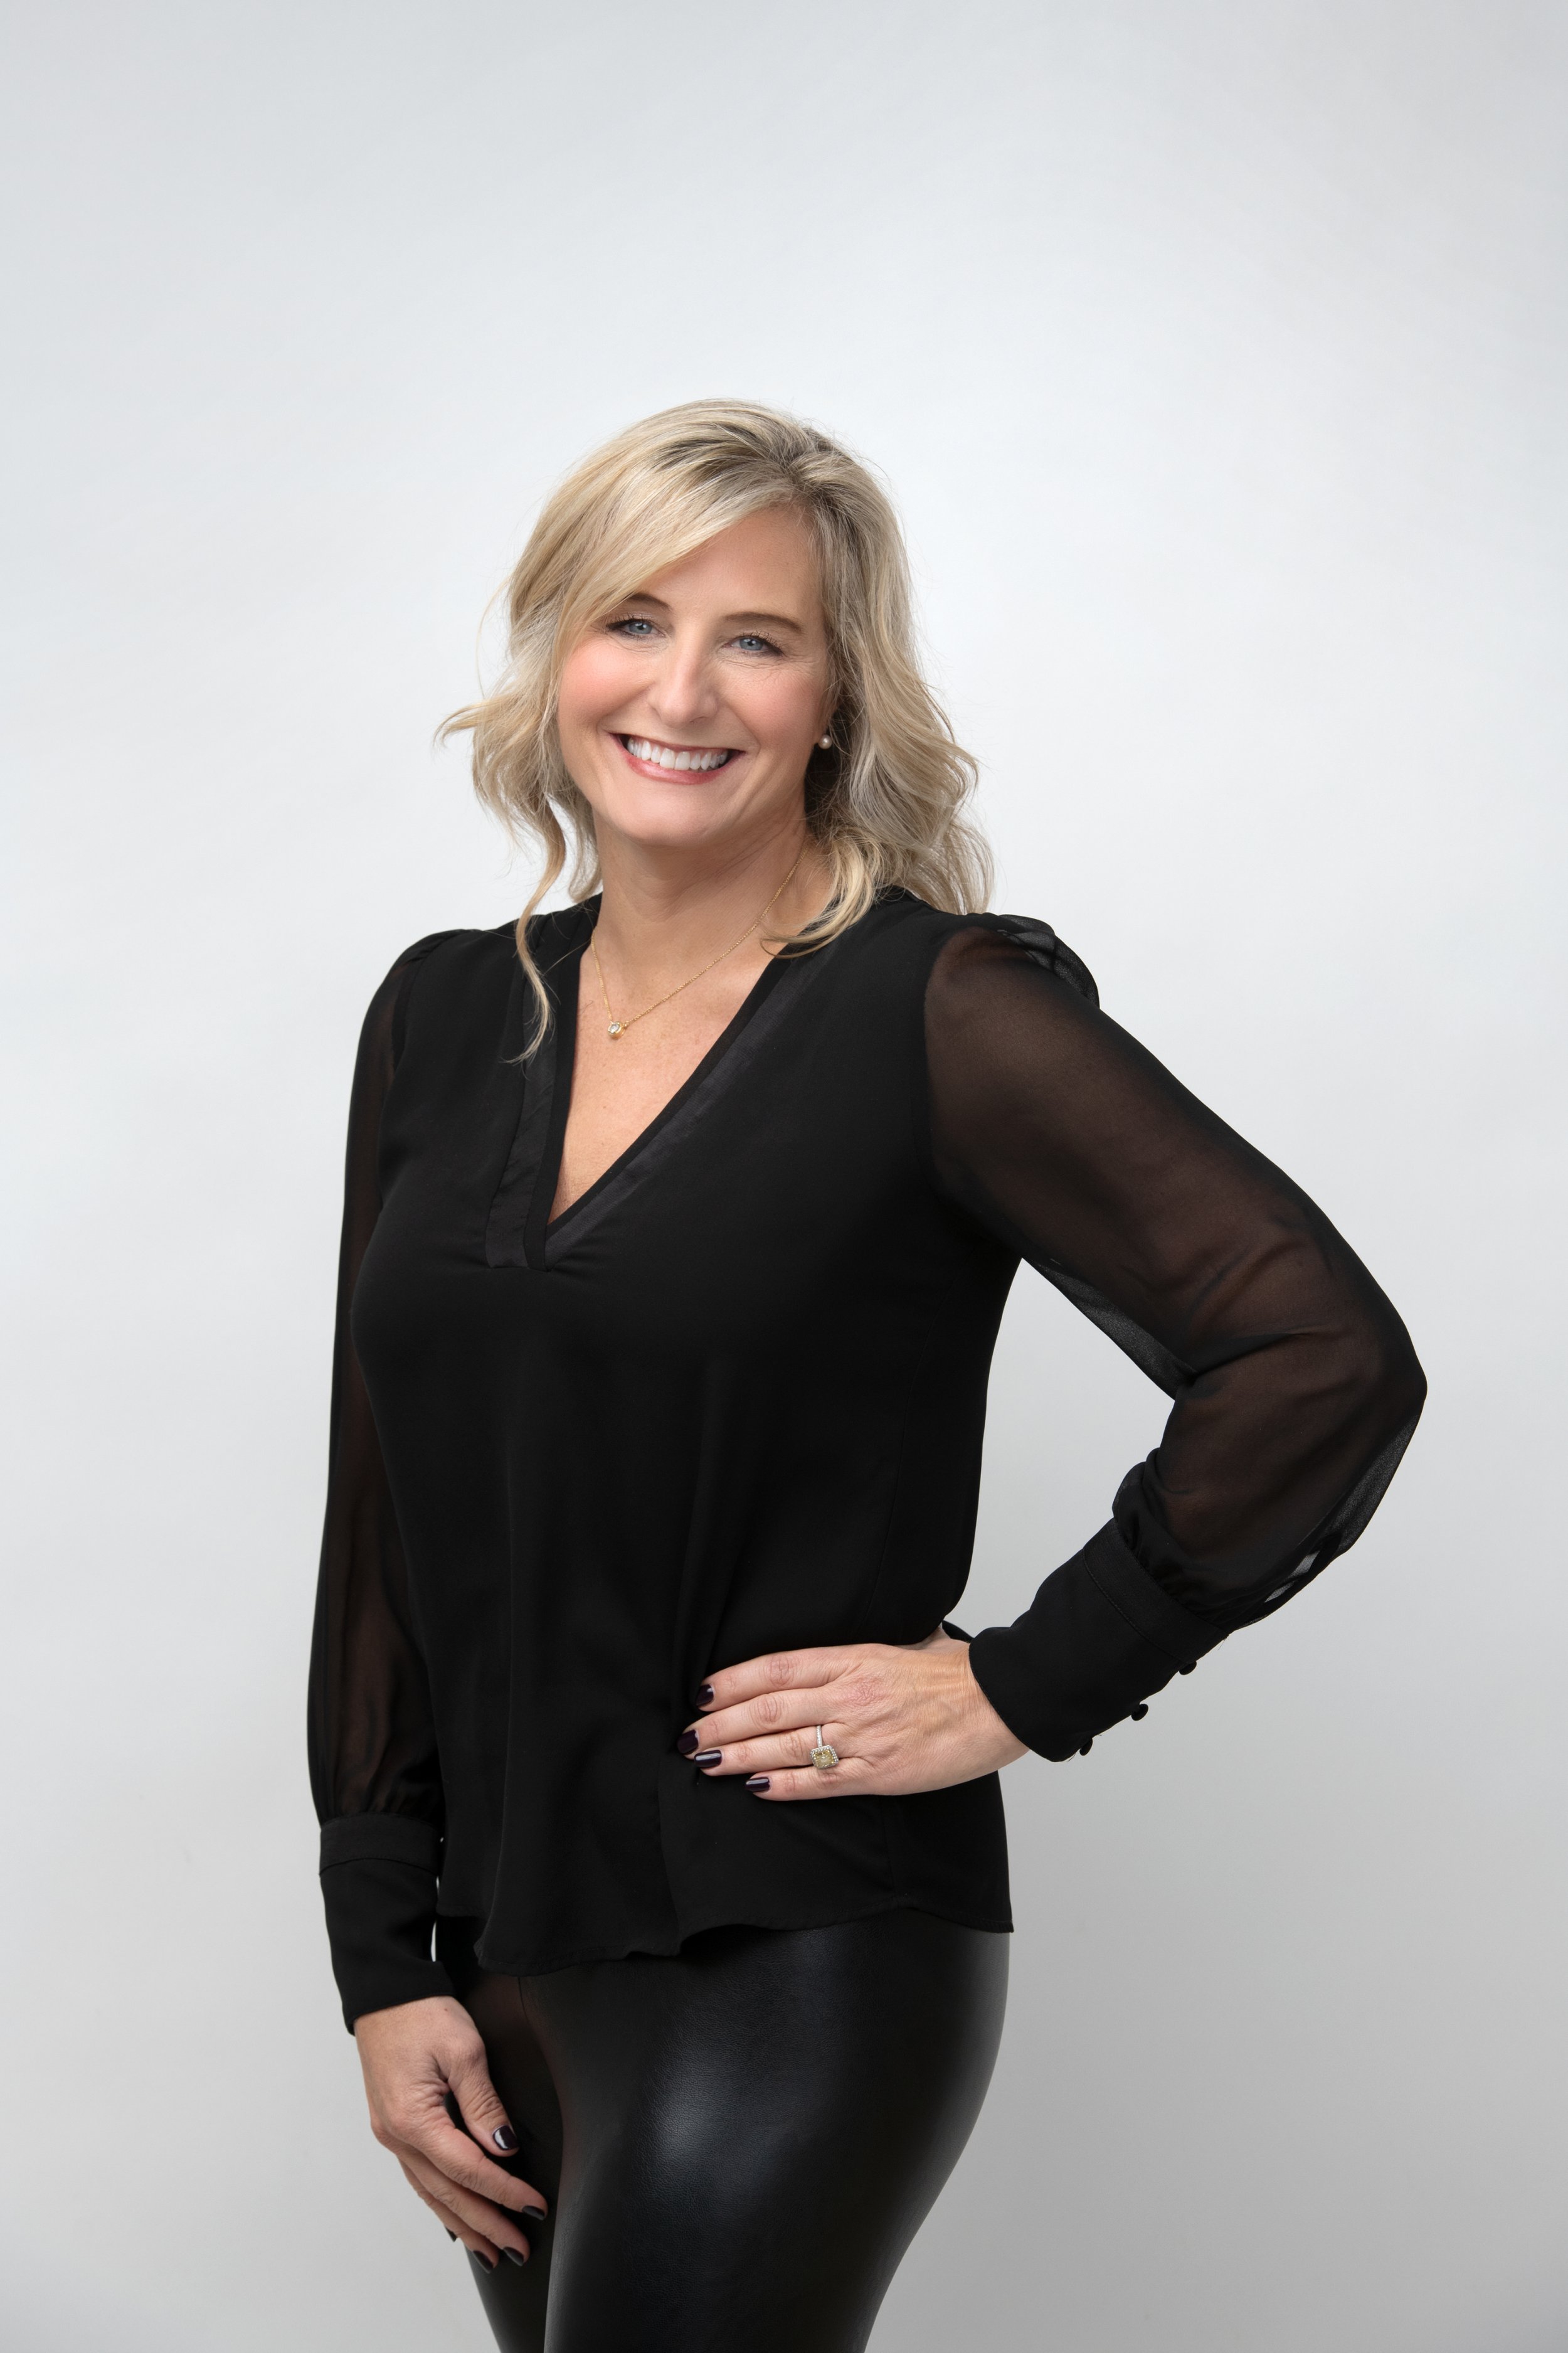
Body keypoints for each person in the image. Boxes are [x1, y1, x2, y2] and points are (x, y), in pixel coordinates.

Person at [308, 400, 1425, 2352]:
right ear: (553, 651)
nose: (682, 687)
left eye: (759, 636)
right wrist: (379, 1956)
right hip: (497, 1956)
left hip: (796, 1936)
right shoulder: (442, 1010)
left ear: (837, 696)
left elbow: (1318, 1354)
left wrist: (1021, 1681)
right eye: (630, 619)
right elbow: (388, 1507)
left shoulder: (941, 1010)